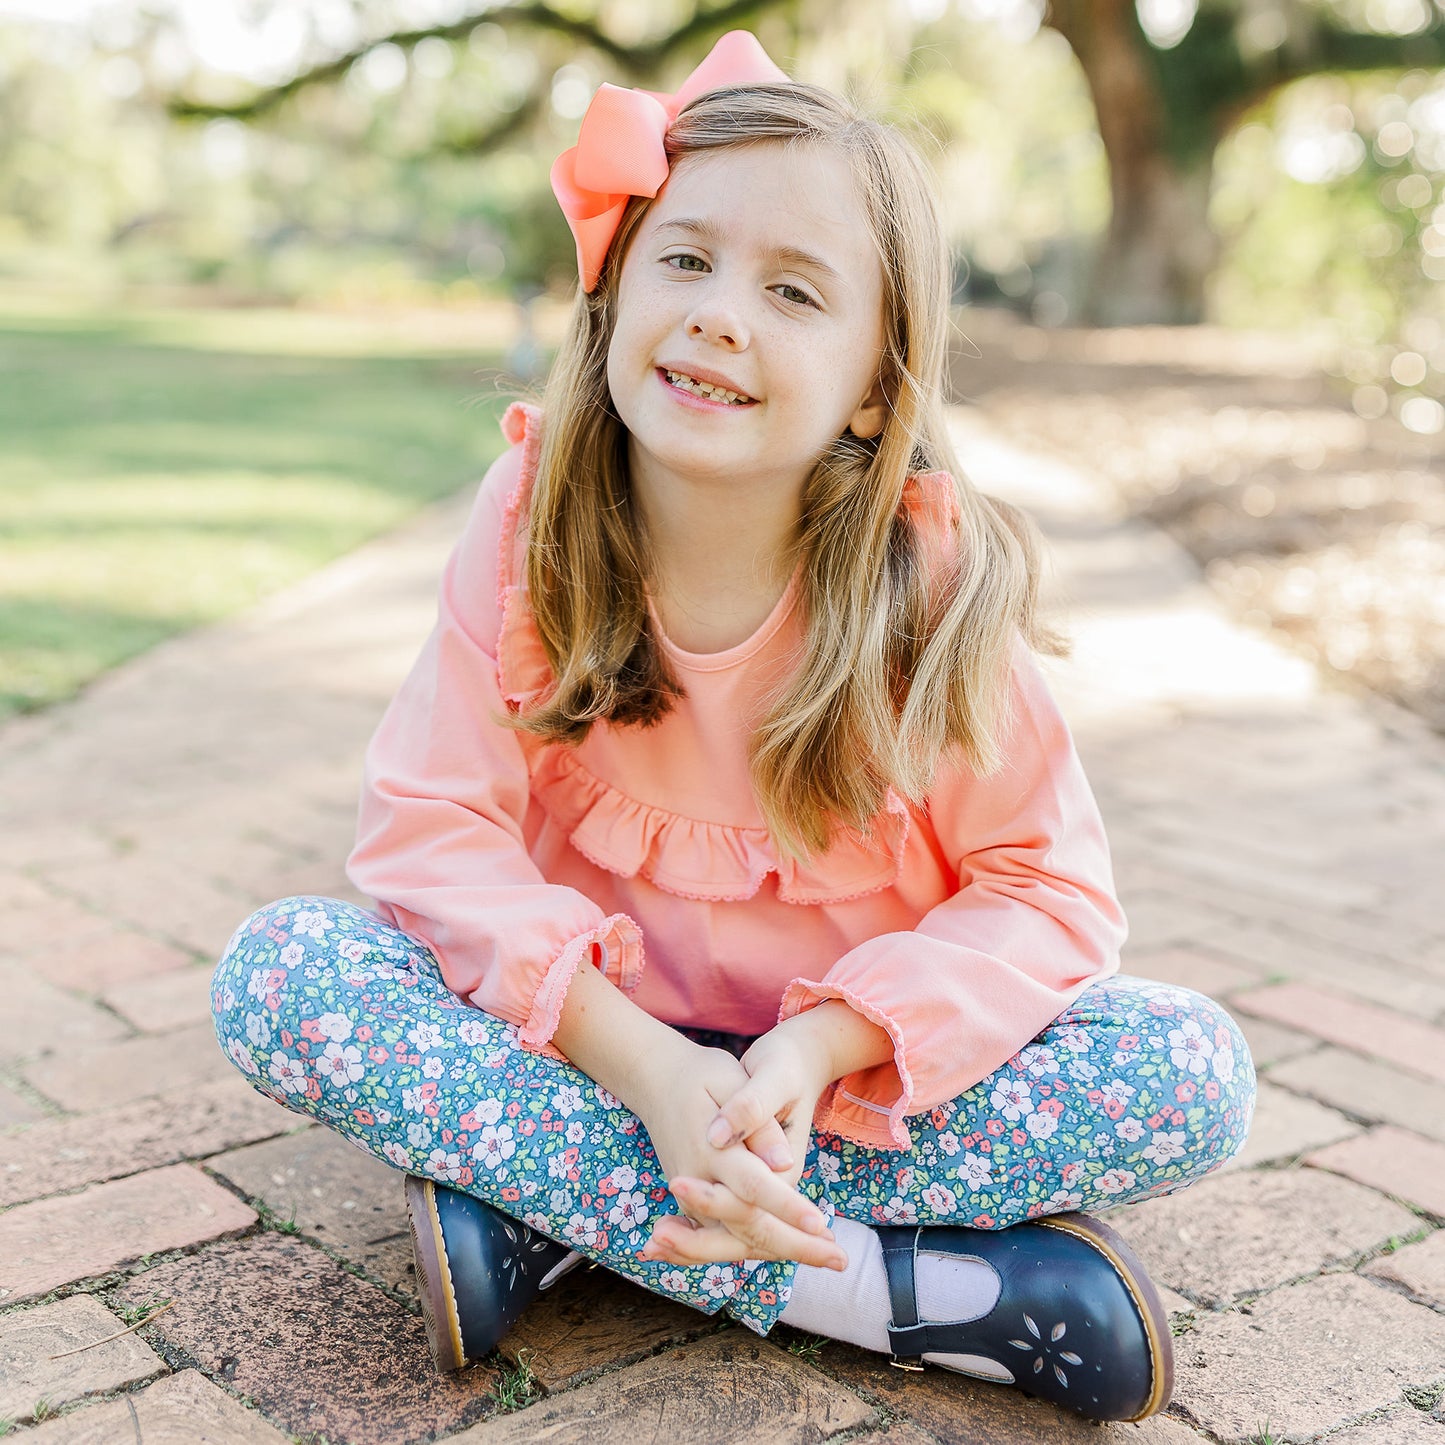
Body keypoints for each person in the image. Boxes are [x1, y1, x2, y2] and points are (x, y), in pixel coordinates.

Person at [211, 30, 1253, 1425]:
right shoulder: (529, 525)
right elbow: (429, 827)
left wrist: (812, 1054)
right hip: (594, 1040)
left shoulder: (924, 589)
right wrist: (645, 1073)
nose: (717, 315)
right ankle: (881, 1291)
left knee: (1186, 1068)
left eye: (792, 290)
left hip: (827, 1087)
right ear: (618, 284)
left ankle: (560, 1213)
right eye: (686, 259)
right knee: (286, 971)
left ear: (876, 384)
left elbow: (1046, 892)